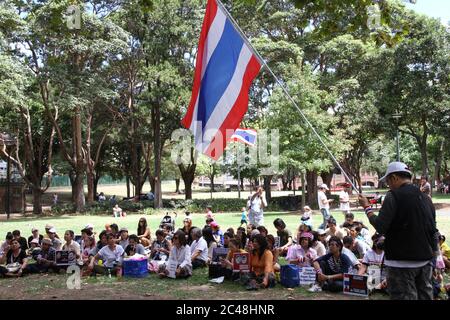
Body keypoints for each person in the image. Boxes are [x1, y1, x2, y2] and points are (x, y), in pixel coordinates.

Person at [359, 161, 438, 300]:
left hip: (400, 263)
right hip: (425, 261)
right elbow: (433, 230)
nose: (388, 185)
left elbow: (381, 226)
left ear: (395, 177)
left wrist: (367, 207)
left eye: (388, 181)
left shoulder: (393, 196)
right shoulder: (426, 198)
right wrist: (434, 259)